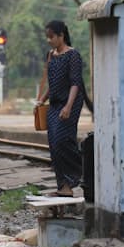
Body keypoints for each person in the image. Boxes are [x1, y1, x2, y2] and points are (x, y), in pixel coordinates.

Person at [35, 20, 85, 197]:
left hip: (70, 103)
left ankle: (82, 173)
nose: (49, 40)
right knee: (54, 143)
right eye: (47, 37)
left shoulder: (73, 55)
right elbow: (52, 83)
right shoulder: (51, 55)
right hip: (55, 104)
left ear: (61, 36)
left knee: (64, 140)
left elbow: (75, 83)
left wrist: (69, 106)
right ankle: (63, 187)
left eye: (51, 37)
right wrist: (42, 100)